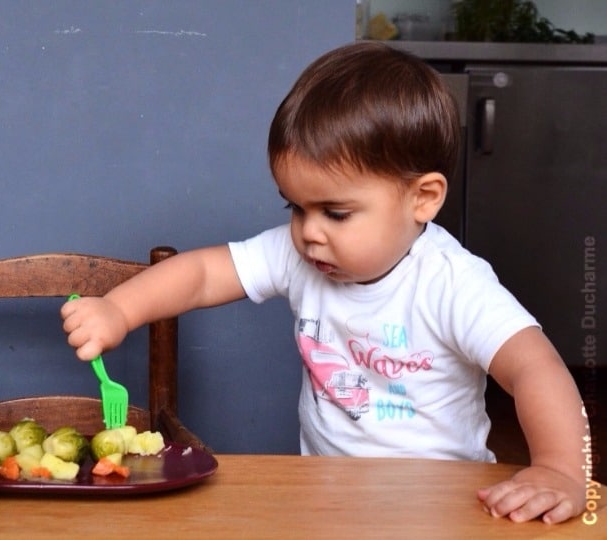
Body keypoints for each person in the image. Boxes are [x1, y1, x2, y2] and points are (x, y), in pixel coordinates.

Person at [60, 41, 587, 524]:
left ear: (422, 198)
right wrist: (120, 310)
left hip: (441, 502)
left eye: (336, 213)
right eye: (296, 207)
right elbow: (201, 275)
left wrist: (562, 468)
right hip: (329, 498)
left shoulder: (453, 283)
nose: (309, 232)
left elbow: (535, 368)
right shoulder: (300, 254)